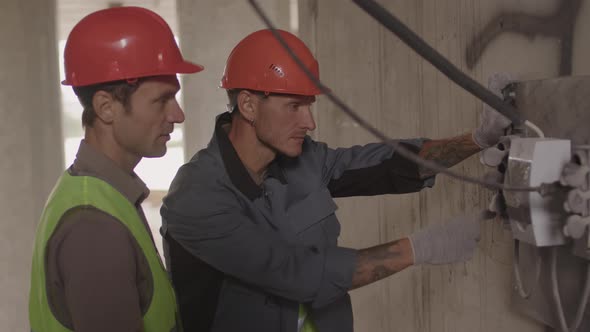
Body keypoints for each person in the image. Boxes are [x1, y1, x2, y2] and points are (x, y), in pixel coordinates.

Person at [161, 29, 508, 332]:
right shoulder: (196, 197)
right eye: (294, 107)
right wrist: (423, 248)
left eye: (309, 106)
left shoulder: (304, 160)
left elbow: (386, 164)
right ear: (249, 106)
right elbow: (296, 273)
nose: (309, 122)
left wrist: (477, 139)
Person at [28, 6, 203, 332]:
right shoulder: (93, 226)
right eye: (162, 100)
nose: (177, 115)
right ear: (106, 108)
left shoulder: (101, 195)